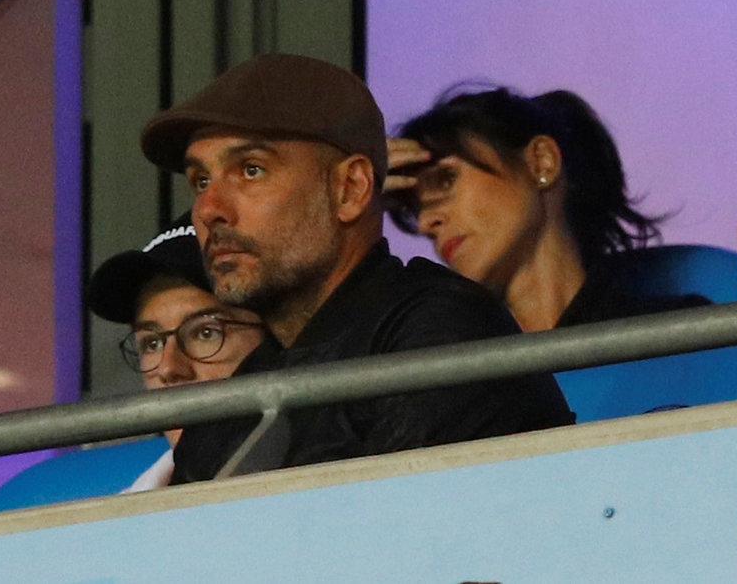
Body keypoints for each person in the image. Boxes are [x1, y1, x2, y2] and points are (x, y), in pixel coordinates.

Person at [139, 54, 574, 482]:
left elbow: (396, 523)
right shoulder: (238, 401)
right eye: (201, 181)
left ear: (350, 189)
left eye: (251, 170)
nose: (208, 209)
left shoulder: (441, 332)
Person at [386, 87, 708, 332]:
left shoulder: (680, 333)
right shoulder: (449, 372)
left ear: (542, 163)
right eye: (415, 209)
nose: (425, 222)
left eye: (445, 178)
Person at [86, 212, 263, 491]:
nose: (168, 368)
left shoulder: (331, 485)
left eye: (205, 333)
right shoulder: (120, 514)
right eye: (152, 343)